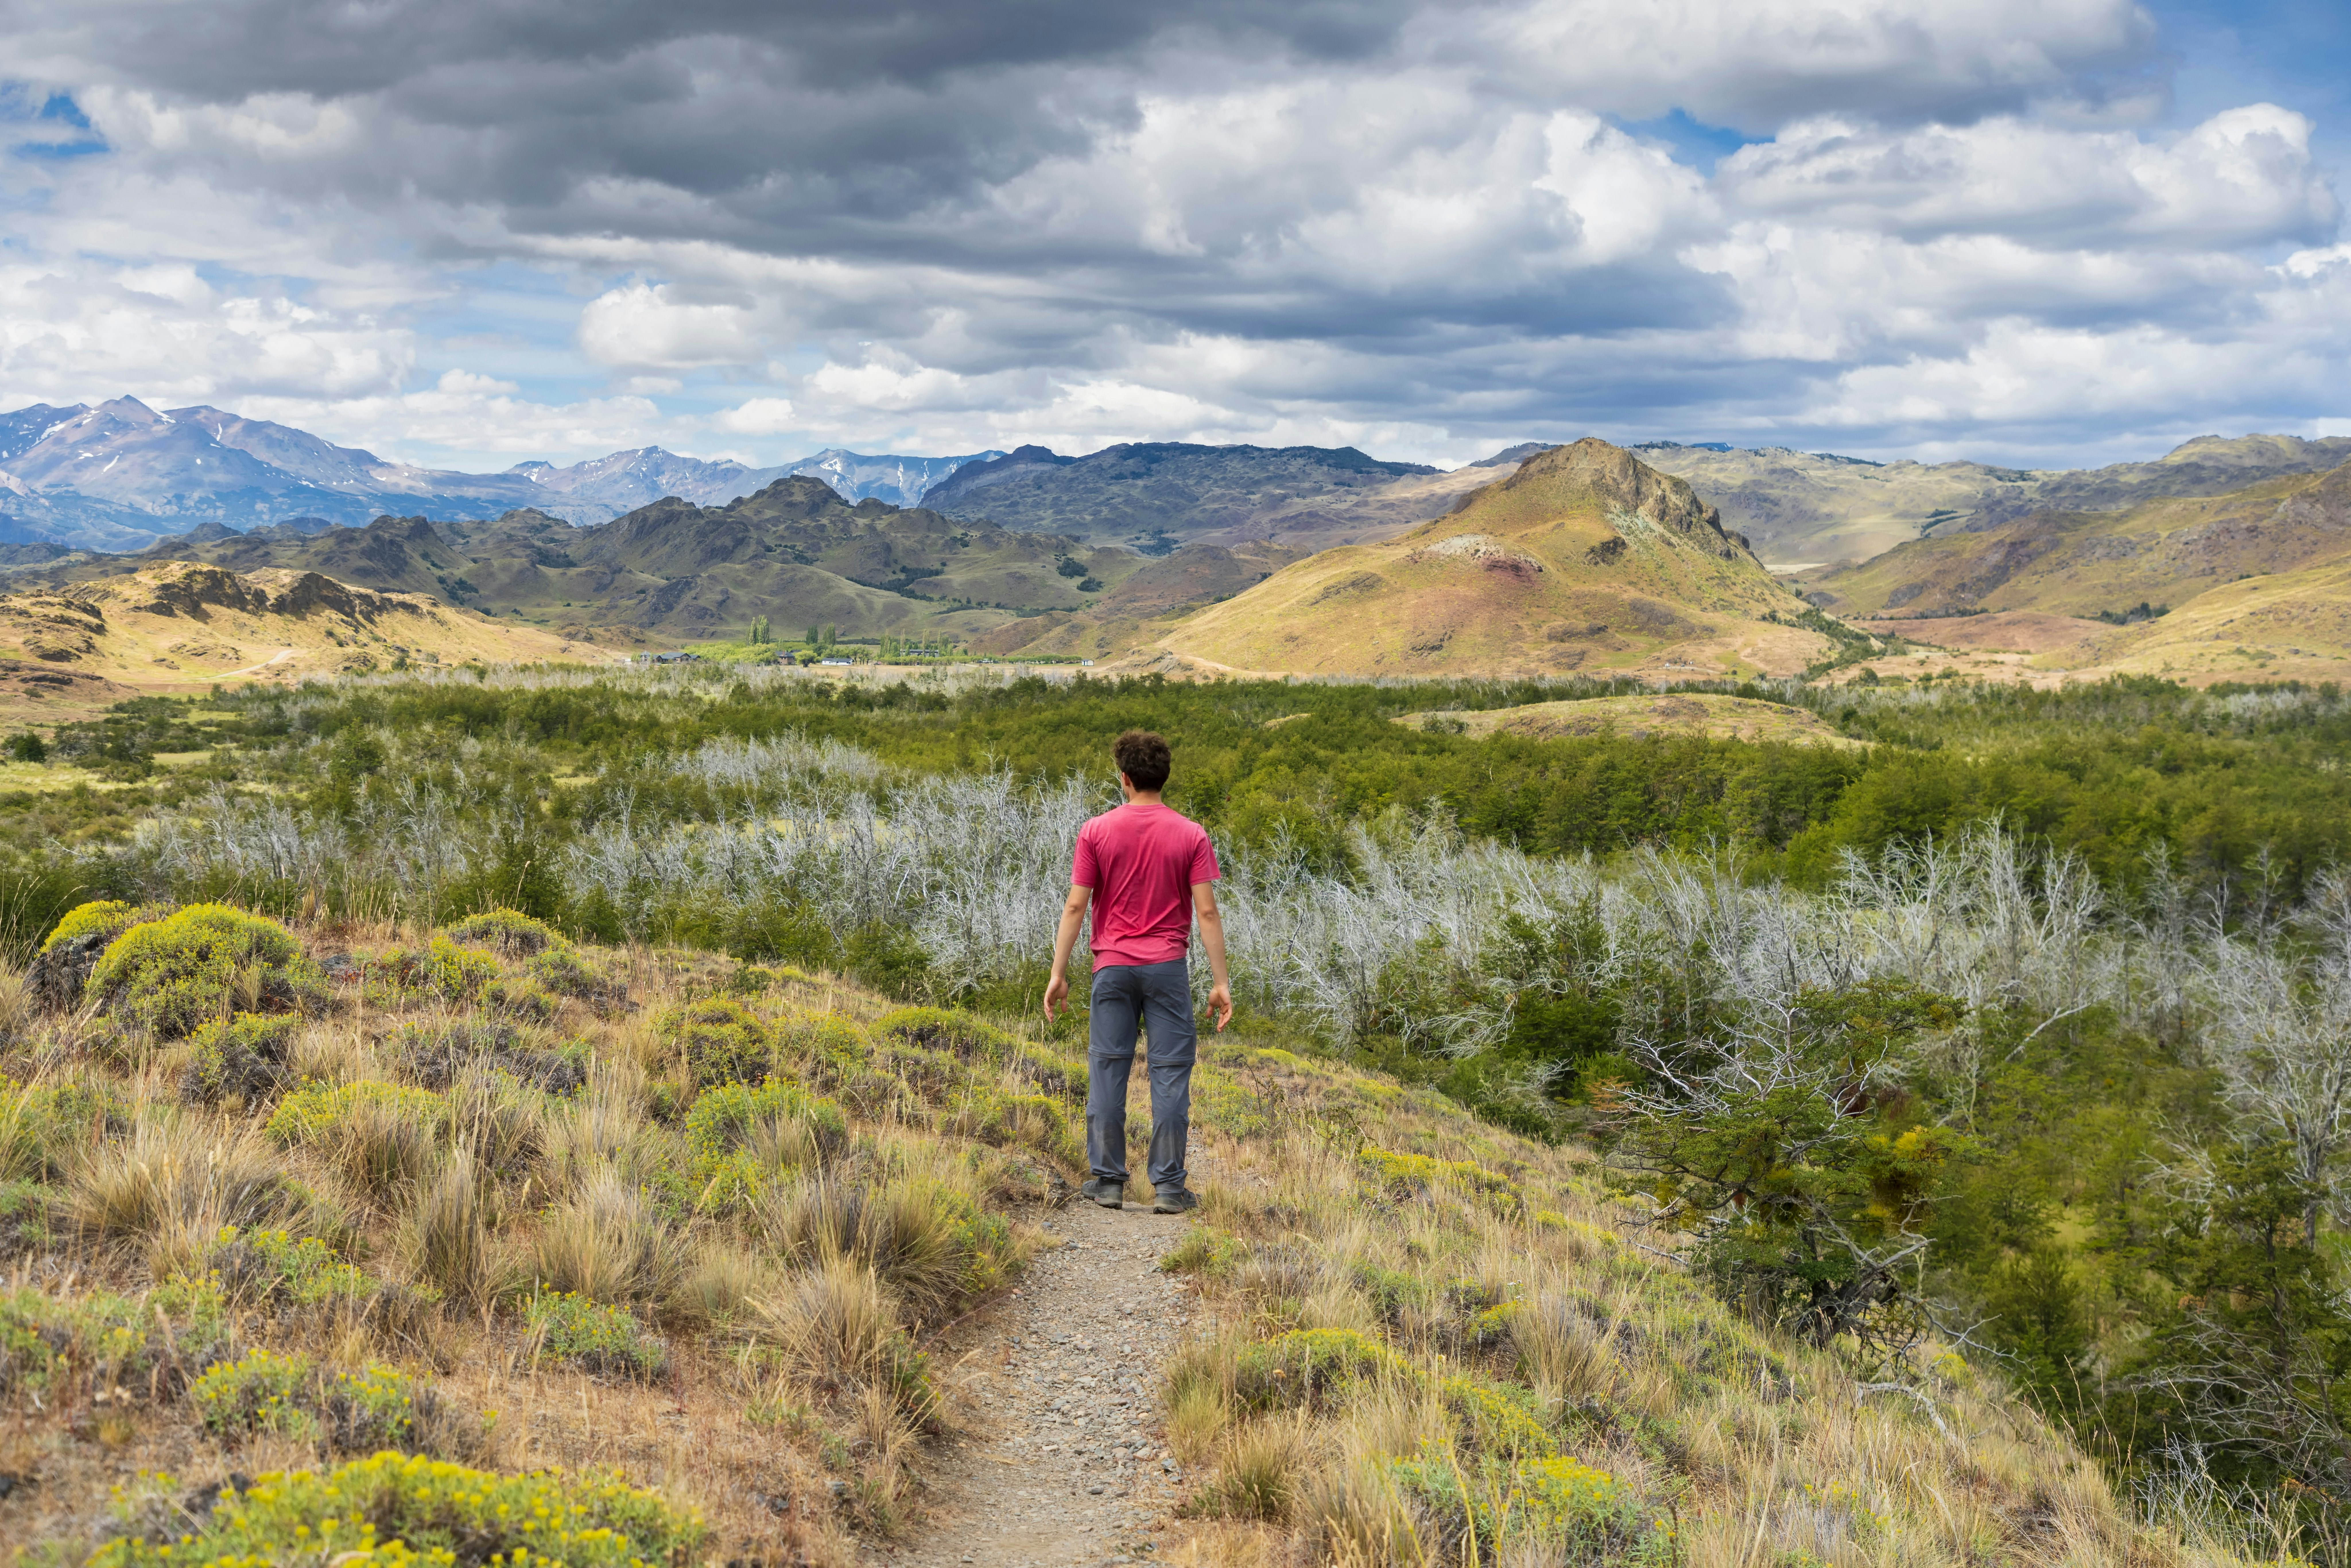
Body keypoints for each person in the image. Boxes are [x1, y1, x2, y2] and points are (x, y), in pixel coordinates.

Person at [1044, 729, 1232, 1214]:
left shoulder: (1096, 831)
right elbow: (1208, 914)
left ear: (1124, 779)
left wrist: (1058, 973)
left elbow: (1075, 907)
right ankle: (1169, 1188)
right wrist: (1220, 982)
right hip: (1167, 969)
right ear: (1162, 778)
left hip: (1112, 968)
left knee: (1108, 1069)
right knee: (1170, 1074)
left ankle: (1108, 1181)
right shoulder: (1191, 834)